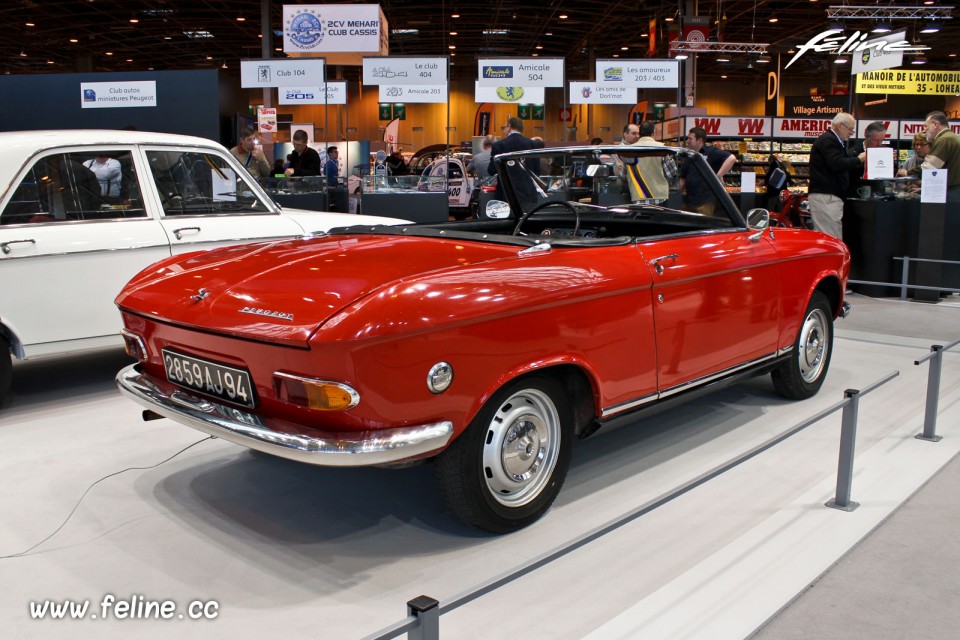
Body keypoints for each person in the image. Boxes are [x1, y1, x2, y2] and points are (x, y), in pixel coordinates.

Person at [808, 112, 865, 239]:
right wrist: (859, 159)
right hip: (826, 197)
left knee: (829, 235)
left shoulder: (832, 141)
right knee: (830, 238)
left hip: (828, 196)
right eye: (850, 129)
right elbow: (837, 163)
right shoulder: (828, 140)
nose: (851, 133)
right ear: (840, 126)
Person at [901, 110, 960, 201]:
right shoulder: (953, 137)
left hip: (951, 191)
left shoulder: (944, 139)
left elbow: (929, 166)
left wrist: (907, 173)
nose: (924, 130)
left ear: (935, 124)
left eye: (926, 126)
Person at [679, 126, 736, 215]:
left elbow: (731, 158)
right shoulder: (688, 155)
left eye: (690, 139)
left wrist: (719, 176)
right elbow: (683, 179)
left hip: (705, 201)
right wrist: (678, 197)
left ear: (700, 141)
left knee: (702, 224)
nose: (687, 141)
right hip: (689, 200)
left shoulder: (711, 152)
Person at [489, 116, 536, 204]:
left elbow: (491, 170)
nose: (504, 130)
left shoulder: (498, 145)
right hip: (527, 191)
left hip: (506, 191)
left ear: (509, 127)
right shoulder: (532, 144)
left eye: (504, 127)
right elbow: (536, 170)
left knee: (507, 216)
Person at [618, 121, 669, 202]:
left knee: (642, 215)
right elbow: (671, 173)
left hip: (639, 195)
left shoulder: (629, 150)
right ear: (653, 133)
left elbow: (623, 175)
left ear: (640, 133)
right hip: (660, 195)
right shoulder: (662, 148)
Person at [847, 121, 887, 198]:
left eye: (881, 140)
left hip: (878, 198)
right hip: (857, 197)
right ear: (866, 136)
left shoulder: (884, 153)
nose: (879, 144)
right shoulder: (852, 154)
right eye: (875, 140)